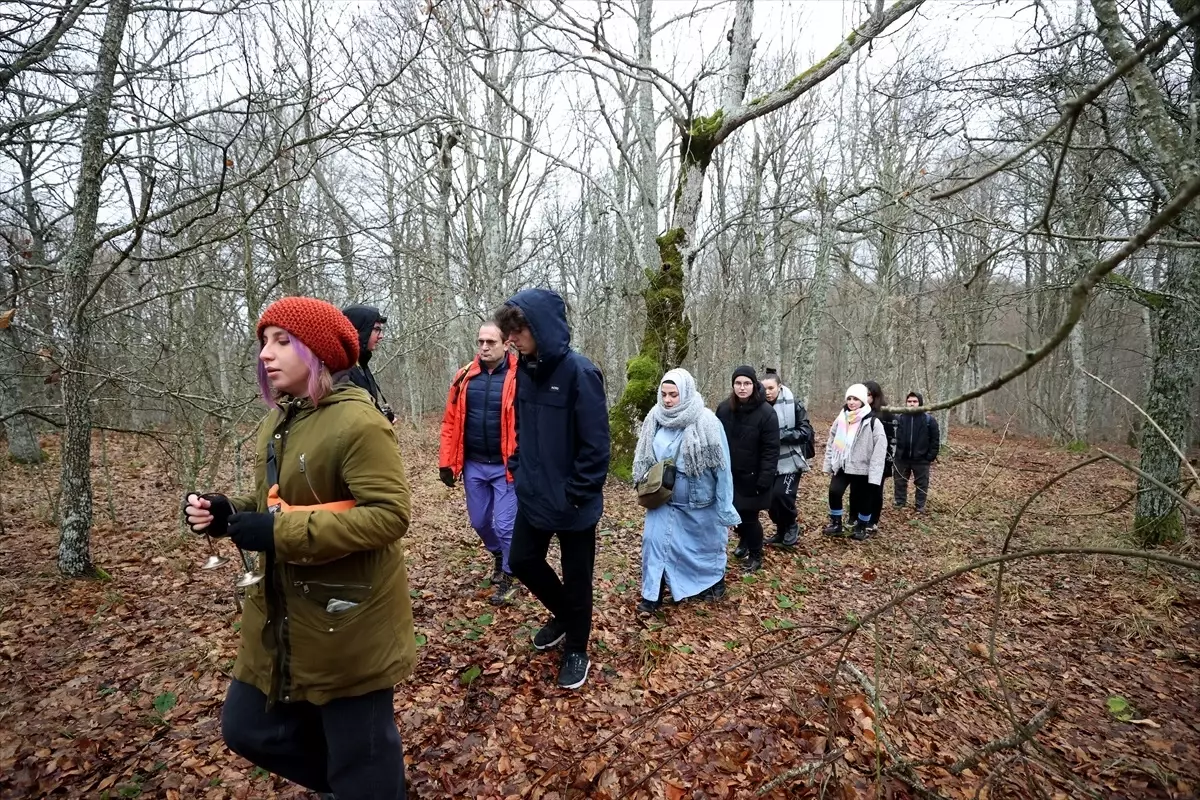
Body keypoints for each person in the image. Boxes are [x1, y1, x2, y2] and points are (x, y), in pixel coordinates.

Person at [184, 296, 414, 799]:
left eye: (282, 342)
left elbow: (390, 516)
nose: (266, 353)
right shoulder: (281, 420)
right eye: (264, 342)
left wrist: (279, 534)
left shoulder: (359, 423)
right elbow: (277, 499)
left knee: (363, 758)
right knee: (248, 729)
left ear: (318, 351)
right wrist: (229, 511)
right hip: (283, 615)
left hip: (351, 623)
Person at [493, 288, 610, 690]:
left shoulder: (581, 373)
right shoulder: (524, 370)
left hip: (575, 502)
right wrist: (519, 468)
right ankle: (566, 615)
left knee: (578, 578)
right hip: (533, 493)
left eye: (518, 330)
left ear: (540, 328)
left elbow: (597, 446)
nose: (512, 339)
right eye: (509, 332)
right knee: (523, 560)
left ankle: (577, 647)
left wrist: (576, 492)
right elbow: (523, 427)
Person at [633, 368, 740, 614]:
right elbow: (645, 455)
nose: (668, 400)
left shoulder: (707, 421)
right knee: (654, 542)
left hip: (699, 500)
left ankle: (713, 582)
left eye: (673, 394)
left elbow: (722, 469)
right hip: (663, 497)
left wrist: (725, 506)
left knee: (703, 546)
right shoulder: (655, 417)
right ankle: (652, 595)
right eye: (664, 394)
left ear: (686, 392)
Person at [438, 323, 519, 605]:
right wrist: (446, 462)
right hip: (474, 464)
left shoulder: (519, 376)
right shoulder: (464, 377)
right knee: (480, 521)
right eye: (480, 341)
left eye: (490, 342)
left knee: (506, 524)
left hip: (506, 466)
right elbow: (450, 422)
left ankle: (510, 575)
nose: (484, 347)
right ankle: (498, 554)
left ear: (506, 344)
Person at [715, 366, 780, 573]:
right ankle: (743, 542)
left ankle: (756, 554)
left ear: (754, 385)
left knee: (749, 518)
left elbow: (771, 450)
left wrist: (764, 479)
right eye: (738, 383)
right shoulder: (724, 409)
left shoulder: (767, 413)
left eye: (747, 383)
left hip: (754, 476)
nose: (742, 388)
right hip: (729, 474)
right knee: (734, 515)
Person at [822, 383, 888, 541]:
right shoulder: (842, 418)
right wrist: (830, 463)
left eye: (855, 399)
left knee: (865, 499)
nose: (851, 402)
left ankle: (861, 527)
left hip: (863, 468)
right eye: (849, 398)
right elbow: (832, 441)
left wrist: (875, 474)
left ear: (863, 401)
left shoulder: (873, 422)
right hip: (843, 464)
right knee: (834, 492)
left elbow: (880, 449)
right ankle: (836, 523)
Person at [760, 369, 814, 548]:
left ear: (779, 387)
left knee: (782, 495)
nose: (767, 392)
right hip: (766, 460)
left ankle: (791, 525)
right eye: (764, 388)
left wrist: (779, 435)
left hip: (790, 459)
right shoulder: (758, 406)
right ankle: (781, 530)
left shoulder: (794, 405)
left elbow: (805, 432)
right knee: (769, 500)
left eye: (771, 388)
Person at [342, 304, 395, 422]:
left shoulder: (361, 363)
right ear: (358, 330)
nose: (381, 336)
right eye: (376, 329)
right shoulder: (340, 370)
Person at [894, 391, 940, 512]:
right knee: (899, 482)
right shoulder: (899, 418)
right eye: (909, 401)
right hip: (902, 457)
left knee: (922, 483)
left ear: (920, 403)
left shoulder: (929, 420)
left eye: (915, 401)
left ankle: (920, 505)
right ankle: (900, 502)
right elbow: (893, 437)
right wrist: (896, 453)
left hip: (921, 459)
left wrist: (930, 457)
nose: (912, 404)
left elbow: (935, 440)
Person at [862, 380, 897, 536]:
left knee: (875, 490)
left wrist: (889, 461)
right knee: (860, 491)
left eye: (868, 394)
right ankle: (860, 518)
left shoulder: (886, 413)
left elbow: (892, 439)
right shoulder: (858, 411)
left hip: (880, 460)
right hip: (860, 459)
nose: (865, 397)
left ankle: (872, 521)